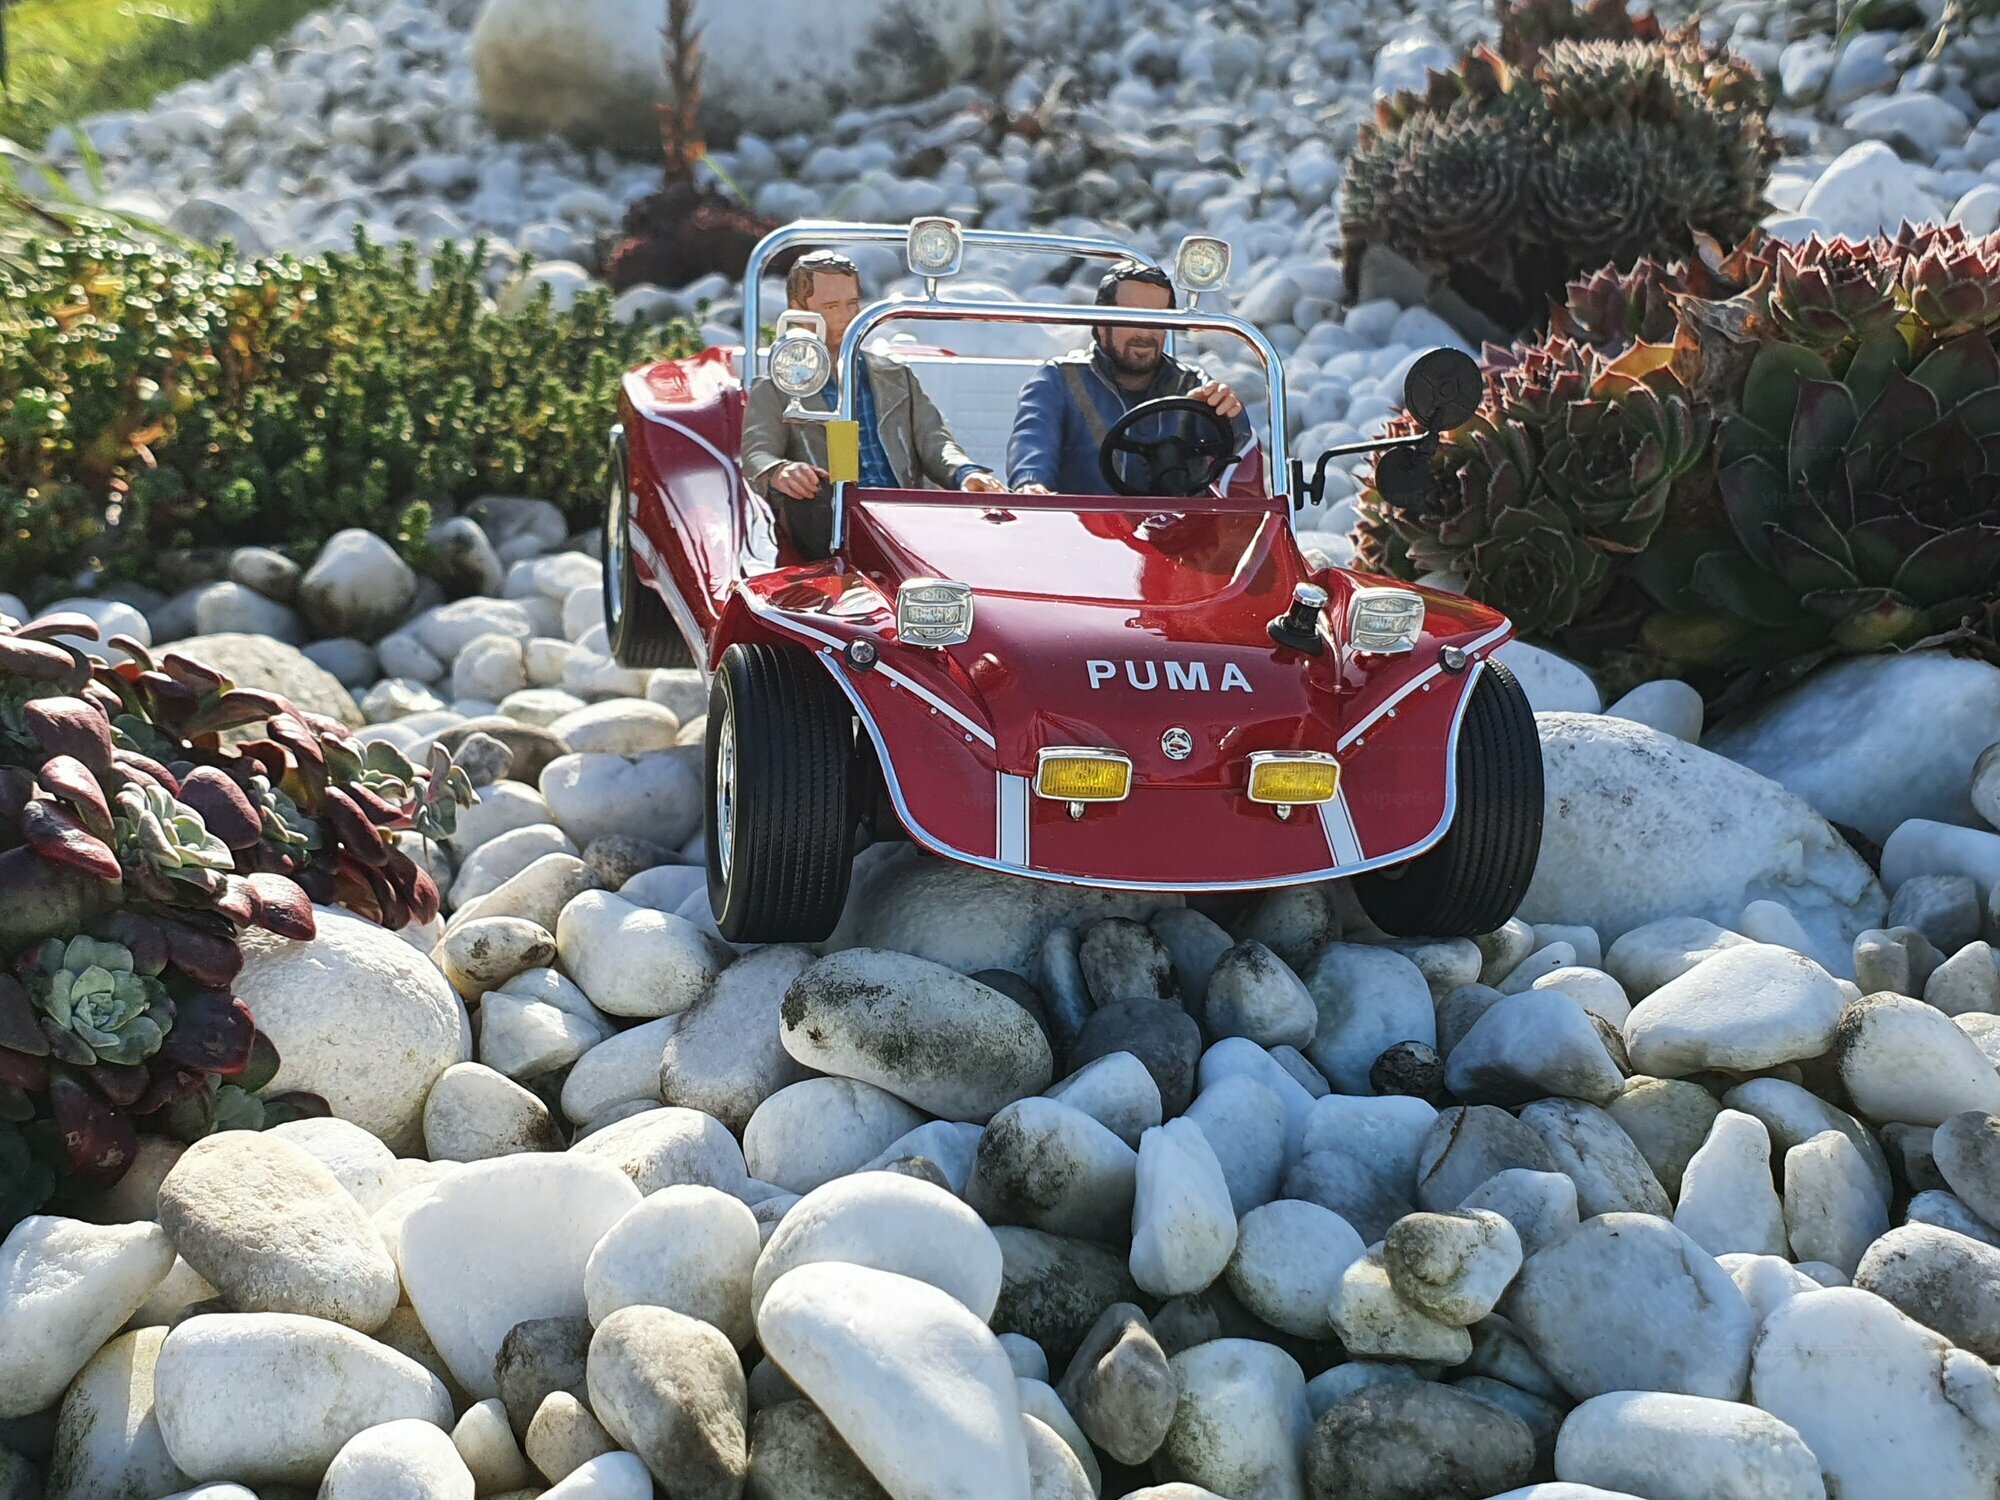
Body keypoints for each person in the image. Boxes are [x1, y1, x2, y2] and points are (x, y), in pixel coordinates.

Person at [741, 250, 1003, 559]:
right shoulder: (777, 386)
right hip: (829, 520)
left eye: (852, 304)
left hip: (901, 515)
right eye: (831, 307)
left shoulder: (896, 377)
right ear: (799, 311)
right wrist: (780, 471)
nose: (845, 317)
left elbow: (935, 441)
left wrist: (964, 473)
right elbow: (756, 453)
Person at [1007, 260, 1257, 497]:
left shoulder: (1192, 384)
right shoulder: (1058, 381)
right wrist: (1031, 484)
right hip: (1083, 524)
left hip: (1178, 524)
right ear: (1101, 323)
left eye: (1157, 318)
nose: (1145, 332)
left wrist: (1230, 414)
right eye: (1131, 317)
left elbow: (1239, 460)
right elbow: (1033, 444)